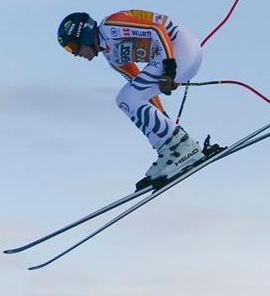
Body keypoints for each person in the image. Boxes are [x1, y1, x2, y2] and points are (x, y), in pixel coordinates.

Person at [57, 10, 219, 189]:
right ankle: (170, 150)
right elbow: (142, 92)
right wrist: (164, 118)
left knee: (125, 98)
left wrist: (169, 70)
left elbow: (156, 30)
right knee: (128, 98)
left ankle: (182, 146)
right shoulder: (112, 56)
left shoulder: (110, 27)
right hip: (173, 57)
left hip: (180, 48)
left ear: (84, 35)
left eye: (73, 46)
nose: (74, 53)